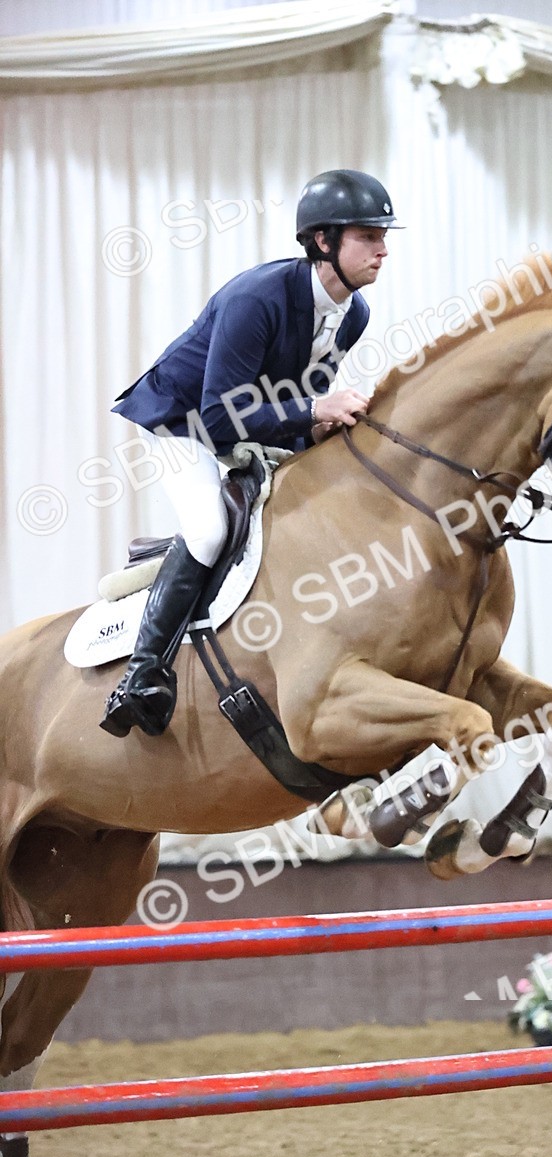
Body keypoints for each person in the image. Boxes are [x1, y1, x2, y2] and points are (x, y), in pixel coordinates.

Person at [100, 168, 401, 739]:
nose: (383, 249)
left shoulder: (353, 314)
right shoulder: (256, 298)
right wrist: (312, 414)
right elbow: (218, 416)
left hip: (243, 423)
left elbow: (293, 401)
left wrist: (320, 430)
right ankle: (141, 676)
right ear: (323, 241)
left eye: (384, 236)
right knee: (211, 530)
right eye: (368, 236)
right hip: (180, 418)